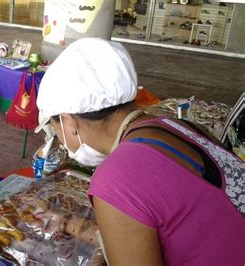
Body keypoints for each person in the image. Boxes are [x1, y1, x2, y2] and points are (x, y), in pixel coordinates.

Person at [35, 38, 244, 265]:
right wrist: (67, 223)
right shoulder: (175, 126)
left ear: (69, 122)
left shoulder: (116, 177)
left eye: (54, 128)